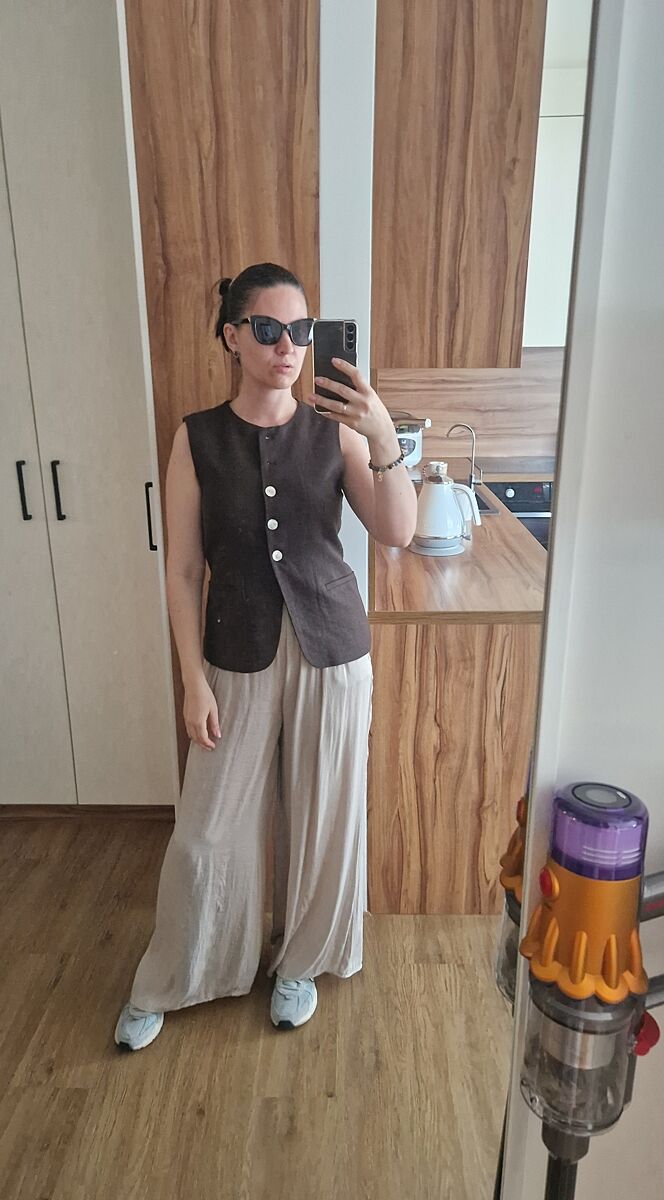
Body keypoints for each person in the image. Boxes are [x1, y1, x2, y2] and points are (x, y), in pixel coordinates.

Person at [114, 262, 417, 1051]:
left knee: (325, 820)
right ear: (233, 336)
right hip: (235, 650)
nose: (288, 346)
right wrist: (191, 681)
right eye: (269, 329)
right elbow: (184, 571)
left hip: (333, 650)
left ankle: (300, 965)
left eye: (301, 331)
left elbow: (397, 532)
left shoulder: (335, 431)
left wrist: (383, 436)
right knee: (207, 832)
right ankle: (177, 975)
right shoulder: (196, 438)